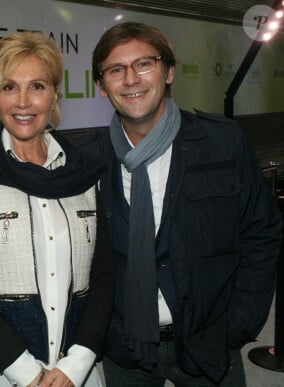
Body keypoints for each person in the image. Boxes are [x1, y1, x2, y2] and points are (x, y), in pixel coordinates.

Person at [83, 21, 282, 386]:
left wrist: (237, 325)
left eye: (144, 63)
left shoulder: (222, 143)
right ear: (101, 86)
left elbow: (262, 233)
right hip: (125, 351)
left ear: (169, 71)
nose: (131, 79)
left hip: (209, 341)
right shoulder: (88, 159)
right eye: (116, 69)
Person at [0, 31, 114, 387]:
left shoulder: (86, 171)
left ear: (54, 93)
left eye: (36, 86)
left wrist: (76, 364)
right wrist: (26, 372)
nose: (22, 102)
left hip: (77, 371)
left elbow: (105, 277)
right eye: (9, 87)